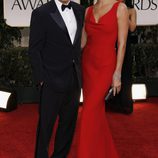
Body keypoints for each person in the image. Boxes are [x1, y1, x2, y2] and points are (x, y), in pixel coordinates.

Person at [28, 0, 85, 157]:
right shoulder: (41, 13)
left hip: (74, 79)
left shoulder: (80, 10)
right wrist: (41, 79)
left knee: (68, 127)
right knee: (45, 129)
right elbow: (34, 49)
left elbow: (78, 44)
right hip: (51, 80)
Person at [77, 0, 128, 157]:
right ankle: (103, 153)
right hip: (88, 65)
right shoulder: (88, 11)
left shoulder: (120, 8)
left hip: (106, 66)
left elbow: (122, 43)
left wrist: (117, 73)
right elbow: (83, 42)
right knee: (96, 113)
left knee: (88, 112)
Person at [108, 0, 137, 114]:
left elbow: (132, 28)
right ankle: (112, 102)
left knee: (125, 74)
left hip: (125, 45)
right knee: (111, 72)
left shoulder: (131, 10)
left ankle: (125, 105)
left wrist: (125, 15)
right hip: (113, 43)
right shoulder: (112, 8)